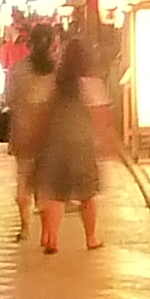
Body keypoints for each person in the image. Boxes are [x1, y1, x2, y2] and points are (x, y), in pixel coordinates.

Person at [10, 15, 106, 252]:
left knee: (51, 192)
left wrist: (34, 138)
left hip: (51, 143)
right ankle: (91, 237)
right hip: (82, 145)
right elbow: (101, 117)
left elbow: (37, 111)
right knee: (87, 194)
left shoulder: (49, 80)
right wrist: (104, 142)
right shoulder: (91, 84)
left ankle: (49, 237)